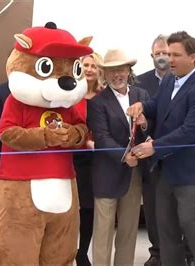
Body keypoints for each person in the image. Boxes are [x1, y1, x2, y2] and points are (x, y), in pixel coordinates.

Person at [127, 31, 195, 266]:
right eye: (169, 54)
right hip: (166, 170)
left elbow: (189, 131)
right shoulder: (170, 79)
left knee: (191, 225)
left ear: (193, 57)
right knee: (165, 227)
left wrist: (154, 147)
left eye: (176, 55)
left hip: (192, 173)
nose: (170, 60)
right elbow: (156, 105)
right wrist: (141, 106)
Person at [87, 48, 149, 265]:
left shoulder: (141, 96)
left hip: (133, 174)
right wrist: (125, 156)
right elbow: (102, 139)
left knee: (128, 230)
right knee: (103, 231)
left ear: (128, 70)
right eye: (111, 70)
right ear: (104, 74)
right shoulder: (97, 103)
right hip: (107, 174)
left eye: (120, 69)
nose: (117, 75)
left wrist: (145, 125)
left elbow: (150, 130)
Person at [136, 34, 193, 266]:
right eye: (158, 53)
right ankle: (157, 252)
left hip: (178, 156)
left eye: (167, 53)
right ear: (151, 56)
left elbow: (186, 123)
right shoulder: (138, 82)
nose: (163, 58)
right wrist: (145, 131)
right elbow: (141, 114)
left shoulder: (182, 80)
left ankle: (186, 253)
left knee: (183, 211)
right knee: (153, 209)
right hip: (150, 158)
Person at [73, 52, 104, 266]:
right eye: (86, 65)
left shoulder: (105, 96)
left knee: (88, 208)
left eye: (94, 65)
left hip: (96, 160)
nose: (90, 69)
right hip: (72, 157)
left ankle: (82, 252)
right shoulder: (71, 94)